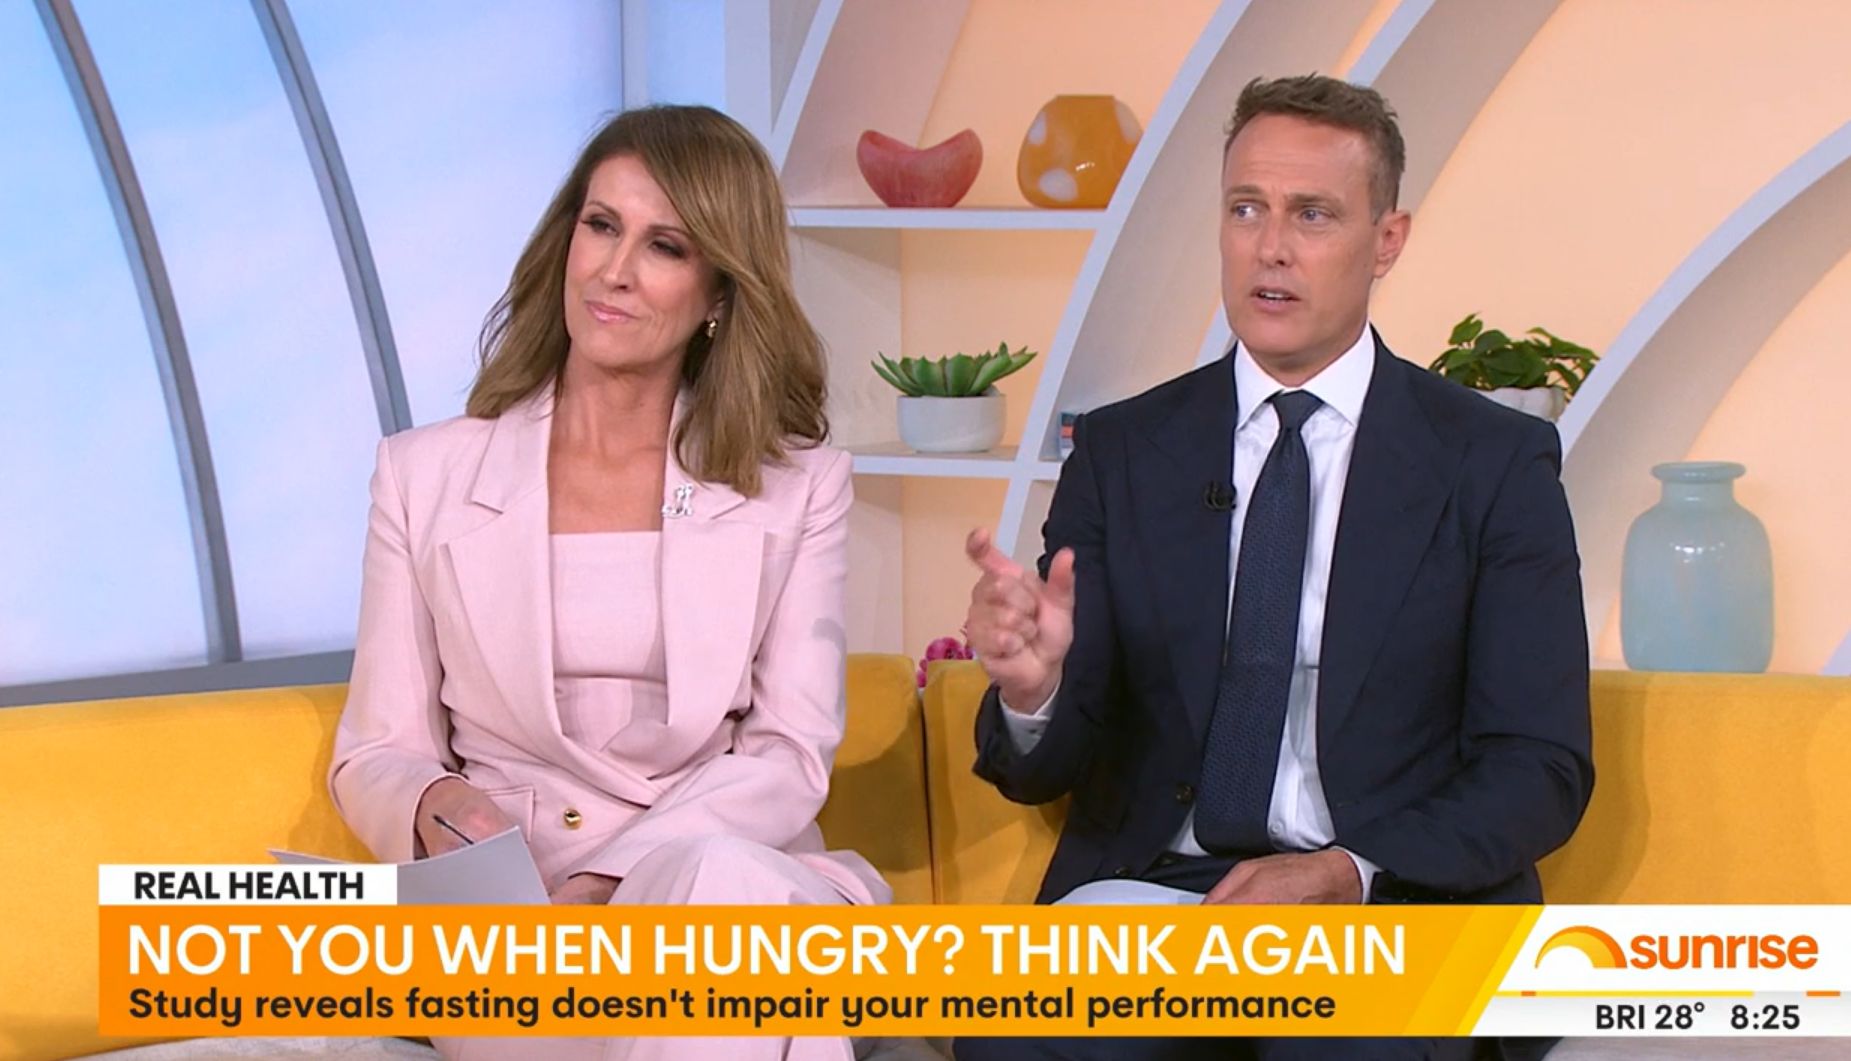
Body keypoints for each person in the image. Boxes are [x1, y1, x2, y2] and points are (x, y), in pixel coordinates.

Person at [956, 75, 1593, 1061]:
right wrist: (1034, 692)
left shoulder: (1490, 462)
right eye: (1246, 209)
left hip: (1389, 898)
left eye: (1313, 214)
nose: (1271, 248)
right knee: (1017, 1041)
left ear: (1387, 239)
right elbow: (1049, 760)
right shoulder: (1124, 451)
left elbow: (1539, 765)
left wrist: (1348, 869)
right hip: (1168, 893)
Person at [329, 104, 887, 1061]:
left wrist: (614, 882)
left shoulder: (799, 486)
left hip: (723, 870)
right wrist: (431, 805)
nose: (614, 271)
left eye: (664, 246)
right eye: (600, 225)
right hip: (520, 914)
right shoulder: (422, 477)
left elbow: (789, 751)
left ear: (718, 292)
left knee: (722, 894)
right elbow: (377, 747)